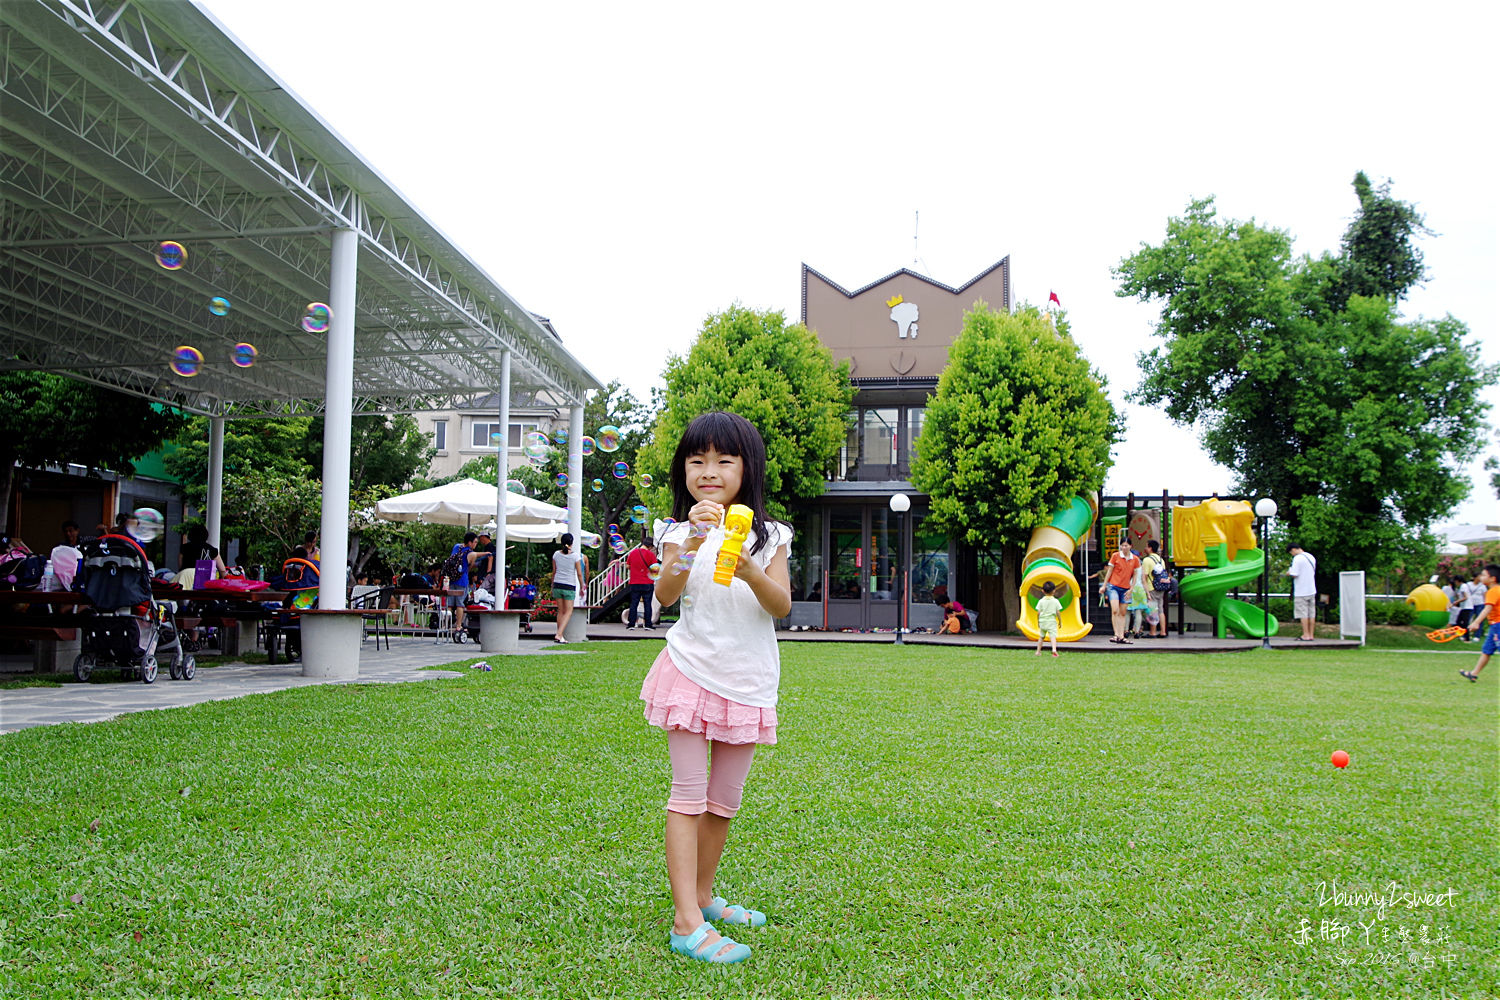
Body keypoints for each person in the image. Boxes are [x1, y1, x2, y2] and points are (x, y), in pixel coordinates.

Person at [640, 411, 792, 965]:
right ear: (684, 469)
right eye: (696, 460)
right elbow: (665, 597)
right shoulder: (677, 531)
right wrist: (687, 548)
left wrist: (752, 568)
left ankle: (703, 897)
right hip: (690, 671)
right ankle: (686, 923)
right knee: (688, 796)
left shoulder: (772, 536)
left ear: (746, 469)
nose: (708, 471)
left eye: (723, 460)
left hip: (748, 680)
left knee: (723, 803)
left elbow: (780, 606)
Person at [1461, 564, 1500, 682]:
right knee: (1486, 650)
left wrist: (1476, 622)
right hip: (1494, 626)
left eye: (1483, 575)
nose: (1481, 577)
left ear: (1492, 578)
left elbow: (1487, 608)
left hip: (1498, 625)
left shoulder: (1493, 591)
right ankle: (1474, 674)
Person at [1099, 536, 1140, 644]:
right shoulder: (1115, 556)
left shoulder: (1135, 559)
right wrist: (1104, 585)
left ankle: (1121, 636)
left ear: (1130, 546)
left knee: (1122, 613)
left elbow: (1135, 575)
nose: (1124, 547)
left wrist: (1131, 588)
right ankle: (1116, 634)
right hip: (1113, 586)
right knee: (1115, 610)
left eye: (1126, 545)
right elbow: (1109, 571)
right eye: (1122, 545)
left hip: (1126, 588)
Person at [550, 533, 586, 643]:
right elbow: (579, 574)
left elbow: (554, 572)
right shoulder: (575, 556)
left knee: (560, 611)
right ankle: (559, 634)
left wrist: (552, 586)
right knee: (569, 611)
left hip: (557, 584)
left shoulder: (556, 554)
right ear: (572, 543)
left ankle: (560, 636)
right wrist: (582, 586)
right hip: (569, 585)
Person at [446, 532, 477, 635]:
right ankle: (458, 626)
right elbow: (469, 566)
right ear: (470, 542)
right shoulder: (470, 552)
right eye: (475, 542)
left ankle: (446, 625)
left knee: (449, 604)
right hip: (462, 581)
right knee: (460, 604)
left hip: (451, 579)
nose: (475, 544)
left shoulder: (456, 547)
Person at [1285, 543, 1318, 641]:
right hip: (1312, 589)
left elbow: (1295, 574)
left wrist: (1289, 572)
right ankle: (1311, 635)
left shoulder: (1297, 559)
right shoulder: (1311, 557)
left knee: (1303, 613)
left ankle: (1305, 635)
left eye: (1291, 552)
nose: (1292, 554)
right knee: (1311, 613)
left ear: (1294, 549)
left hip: (1301, 591)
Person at [625, 537, 659, 629]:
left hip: (635, 582)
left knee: (634, 603)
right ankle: (648, 624)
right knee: (647, 604)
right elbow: (655, 569)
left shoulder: (633, 553)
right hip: (647, 582)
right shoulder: (651, 555)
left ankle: (631, 624)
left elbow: (628, 566)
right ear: (650, 546)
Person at [1141, 539, 1168, 638]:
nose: (1145, 548)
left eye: (1146, 546)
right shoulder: (1161, 560)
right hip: (1161, 587)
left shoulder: (1147, 560)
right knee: (1161, 610)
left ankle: (1153, 632)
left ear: (1150, 548)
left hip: (1151, 587)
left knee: (1153, 610)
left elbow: (1144, 577)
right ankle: (1163, 631)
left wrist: (1146, 591)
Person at [1034, 581, 1062, 657]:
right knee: (1052, 636)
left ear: (1043, 591)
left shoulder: (1041, 601)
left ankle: (1038, 651)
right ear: (1054, 591)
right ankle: (1054, 649)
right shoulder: (1056, 601)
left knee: (1041, 637)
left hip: (1042, 621)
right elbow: (1058, 612)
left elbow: (1038, 612)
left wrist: (1038, 622)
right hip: (1051, 622)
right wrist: (1060, 621)